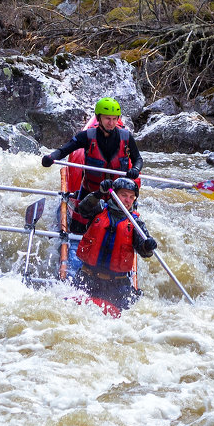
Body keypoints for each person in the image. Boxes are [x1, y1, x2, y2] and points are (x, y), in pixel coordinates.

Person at [40, 96, 144, 232]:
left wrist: (135, 168)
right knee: (78, 228)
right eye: (107, 118)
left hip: (118, 194)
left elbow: (138, 159)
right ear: (99, 118)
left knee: (121, 228)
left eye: (114, 119)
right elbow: (64, 150)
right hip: (91, 192)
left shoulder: (126, 137)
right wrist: (50, 157)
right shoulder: (87, 136)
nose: (111, 123)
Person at [71, 177, 156, 311]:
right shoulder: (99, 209)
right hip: (88, 277)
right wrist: (99, 193)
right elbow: (83, 209)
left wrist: (148, 246)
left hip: (116, 285)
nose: (127, 200)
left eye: (131, 197)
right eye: (123, 195)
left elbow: (145, 252)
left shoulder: (135, 223)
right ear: (114, 194)